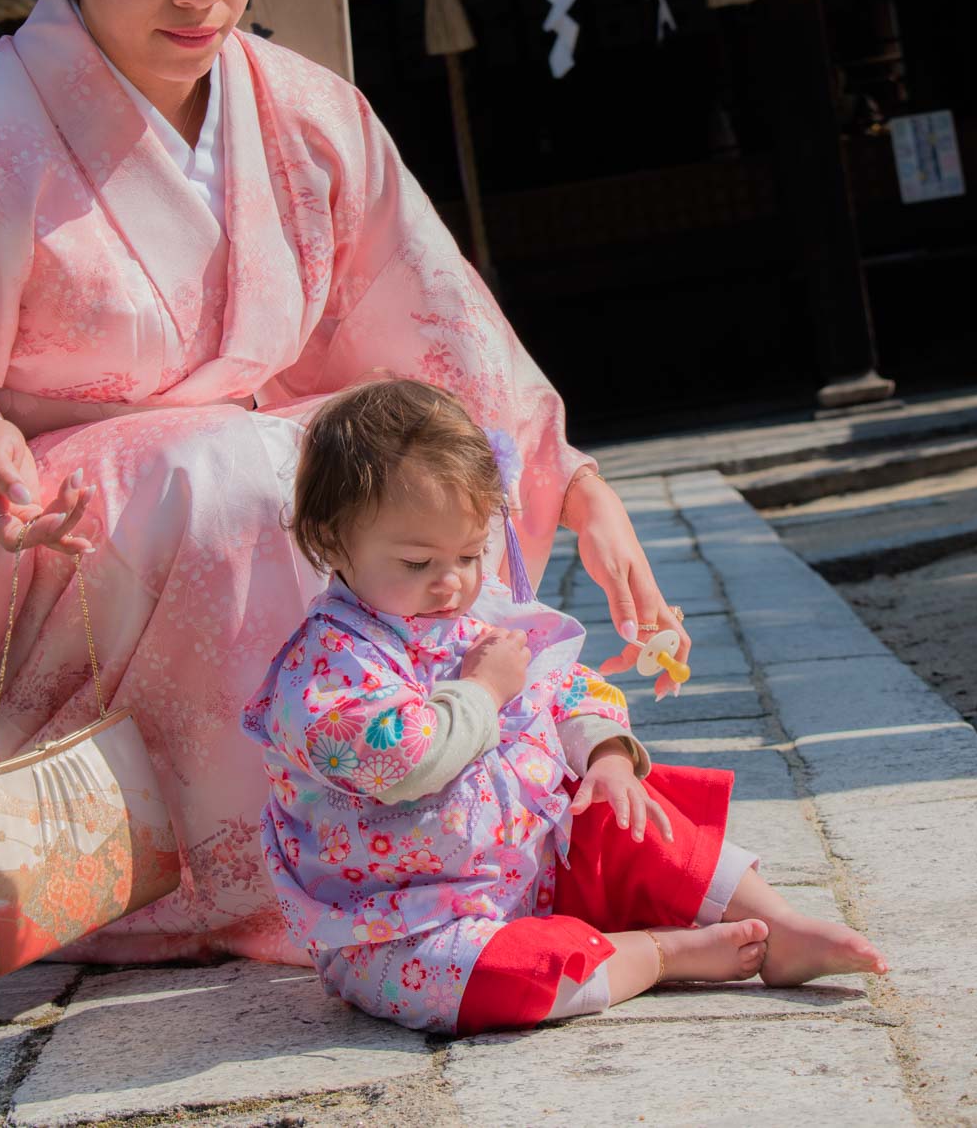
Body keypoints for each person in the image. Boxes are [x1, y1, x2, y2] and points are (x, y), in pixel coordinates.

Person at [0, 0, 688, 966]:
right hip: (59, 537)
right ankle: (207, 873)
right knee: (232, 468)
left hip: (249, 489)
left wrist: (570, 478)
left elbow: (430, 332)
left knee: (392, 466)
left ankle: (425, 834)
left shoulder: (307, 112)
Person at [242, 379, 889, 1033]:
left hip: (532, 858)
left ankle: (781, 928)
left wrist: (606, 753)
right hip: (406, 921)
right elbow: (400, 760)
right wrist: (483, 691)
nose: (450, 582)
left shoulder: (470, 616)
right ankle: (655, 954)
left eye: (469, 554)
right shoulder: (325, 668)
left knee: (631, 814)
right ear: (332, 538)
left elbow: (562, 682)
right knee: (504, 982)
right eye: (416, 561)